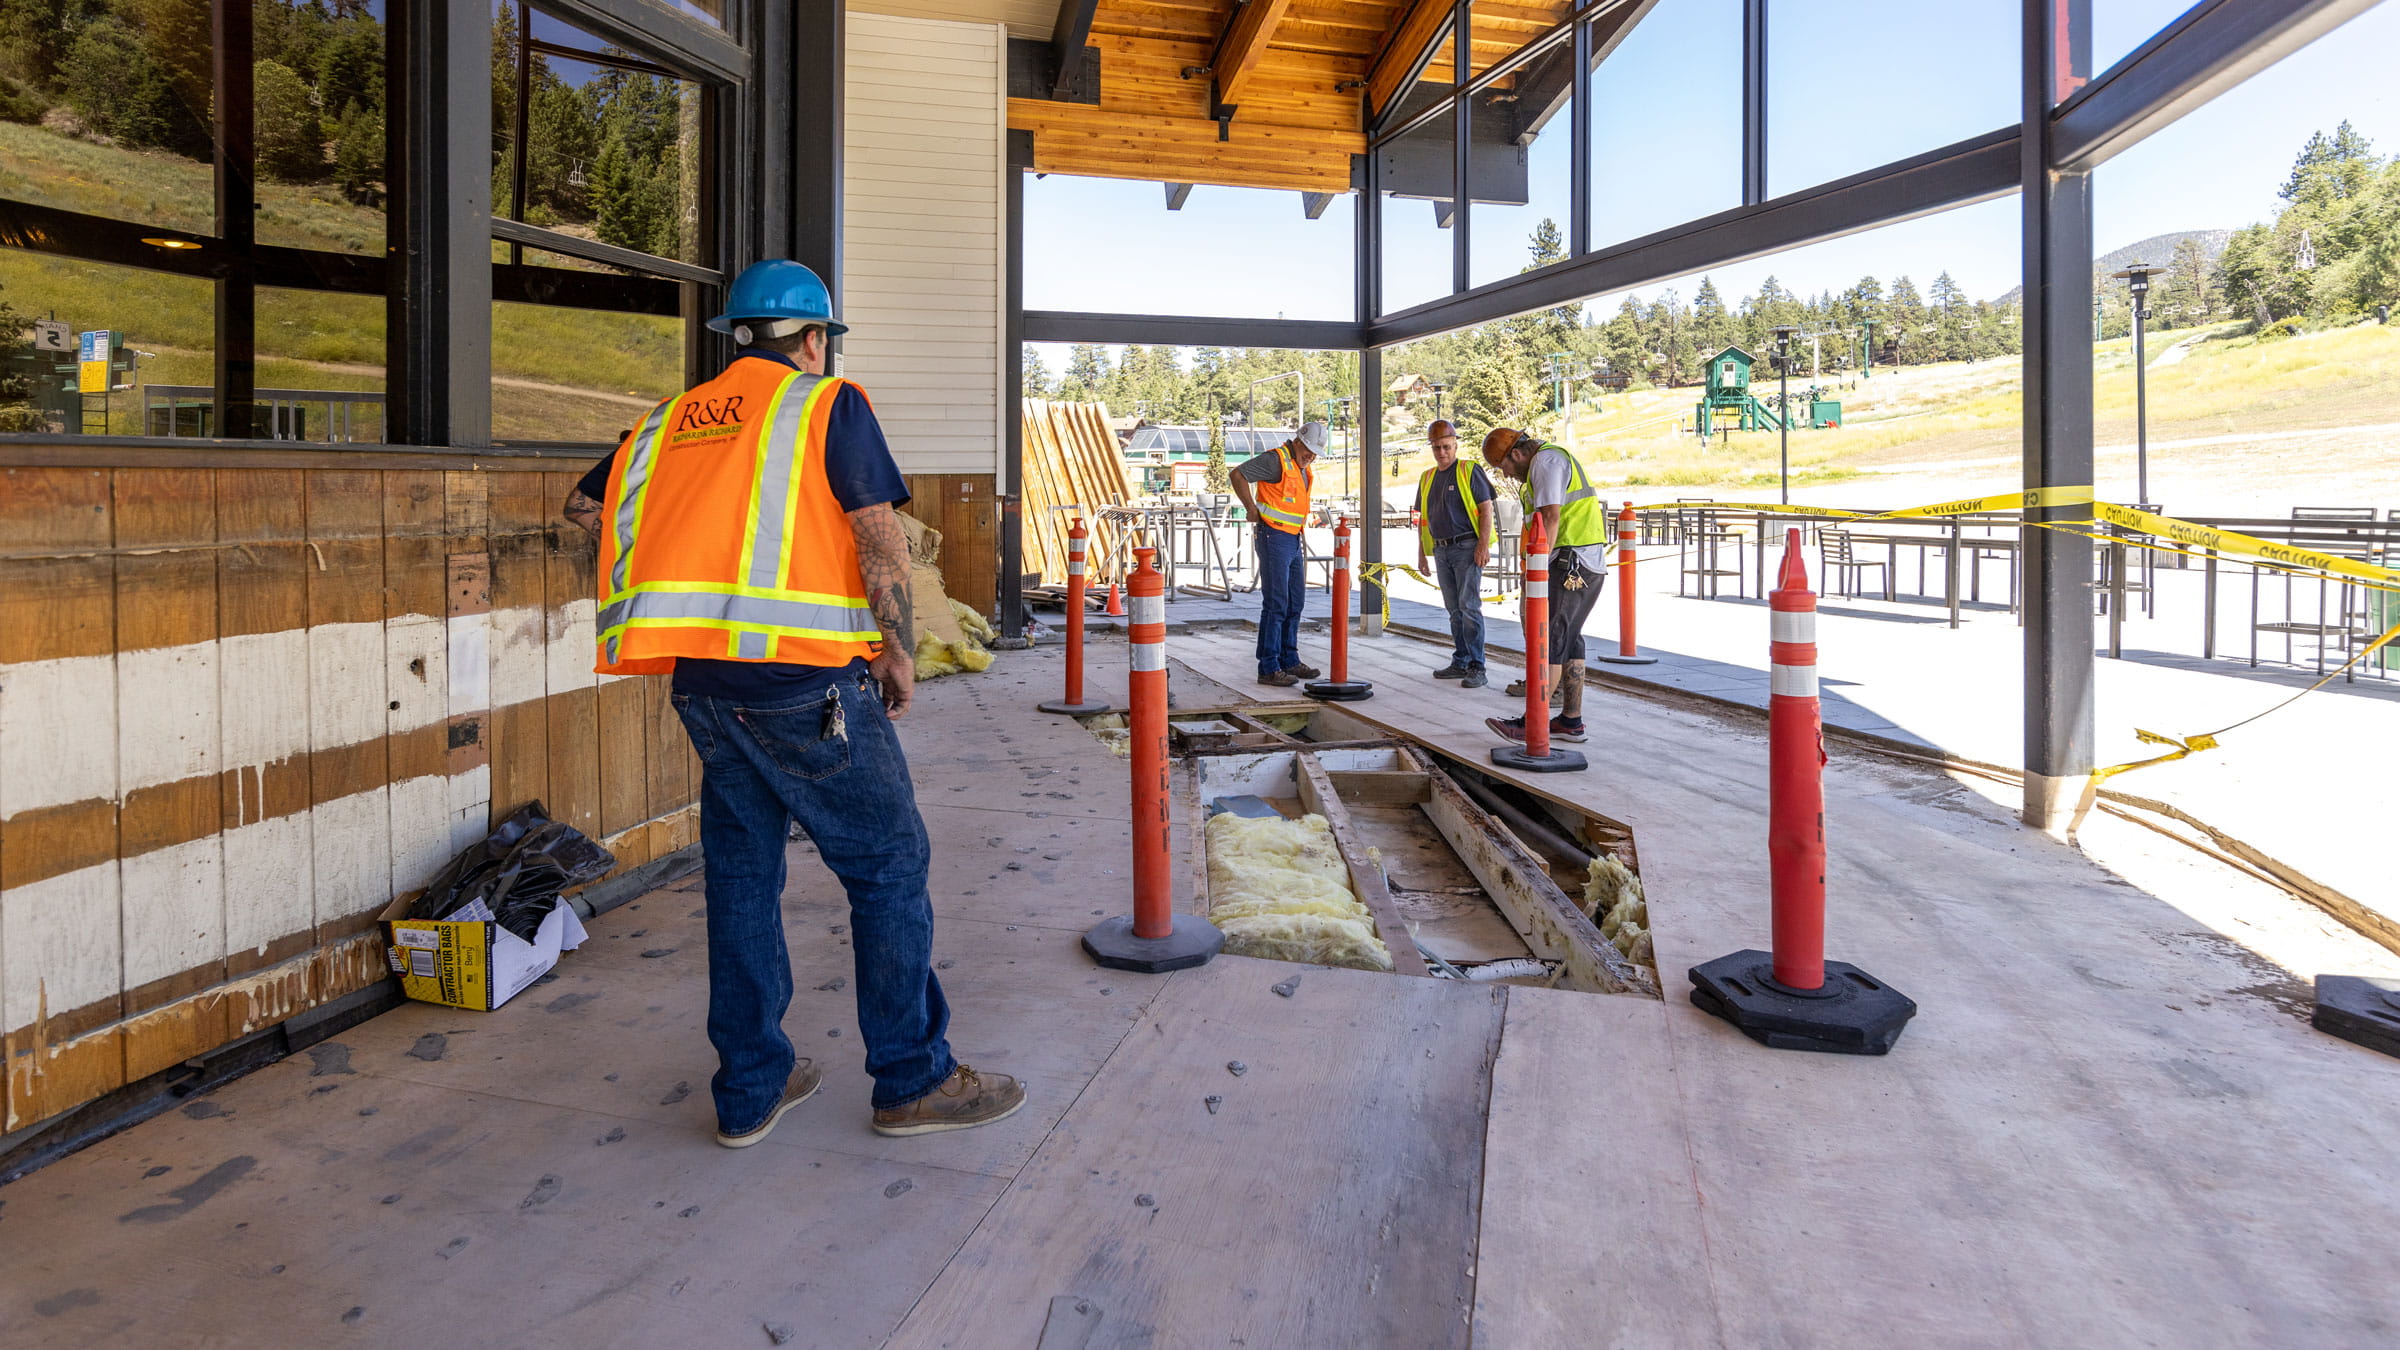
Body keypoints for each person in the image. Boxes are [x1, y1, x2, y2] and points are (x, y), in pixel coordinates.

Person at [562, 260, 1023, 1148]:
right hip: (806, 687)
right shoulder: (826, 405)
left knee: (742, 879)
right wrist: (897, 652)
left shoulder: (667, 424)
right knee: (888, 866)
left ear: (734, 336)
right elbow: (878, 538)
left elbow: (586, 506)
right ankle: (912, 1079)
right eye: (822, 343)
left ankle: (751, 1088)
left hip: (704, 688)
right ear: (813, 340)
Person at [1477, 428, 1609, 745]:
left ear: (1518, 454)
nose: (1506, 473)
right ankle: (1570, 721)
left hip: (1570, 562)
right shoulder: (1549, 461)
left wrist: (1537, 569)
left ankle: (1531, 723)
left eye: (1504, 466)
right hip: (1582, 562)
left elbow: (1550, 517)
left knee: (1549, 639)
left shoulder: (1545, 462)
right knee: (1570, 639)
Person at [1228, 421, 1327, 687]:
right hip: (1273, 537)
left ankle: (1289, 659)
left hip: (1293, 538)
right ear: (1298, 441)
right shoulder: (1276, 460)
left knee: (1295, 602)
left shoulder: (1300, 467)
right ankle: (1269, 667)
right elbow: (1238, 474)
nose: (1311, 456)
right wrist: (1250, 507)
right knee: (1276, 603)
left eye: (1315, 452)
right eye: (1308, 449)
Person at [1414, 419, 1496, 689]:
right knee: (1454, 610)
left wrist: (1482, 546)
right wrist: (1422, 554)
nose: (1442, 452)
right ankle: (1460, 659)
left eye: (1446, 447)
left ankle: (1476, 665)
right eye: (1437, 448)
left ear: (1455, 444)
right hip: (1441, 549)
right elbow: (1422, 519)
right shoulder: (1427, 478)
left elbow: (1486, 509)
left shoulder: (1468, 470)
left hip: (1466, 548)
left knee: (1469, 607)